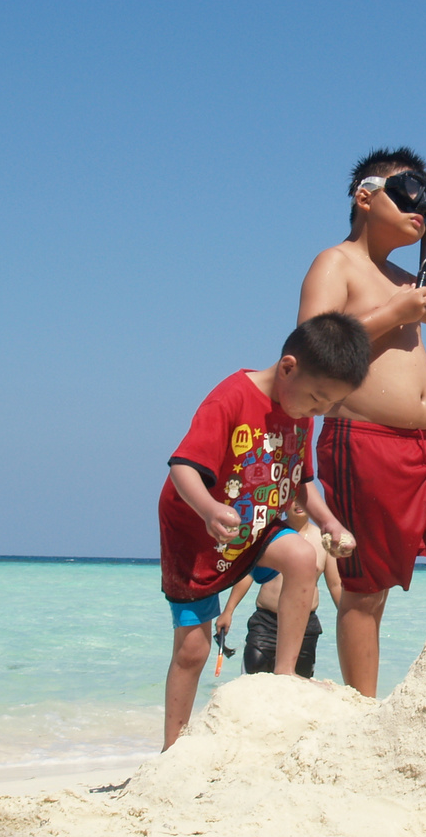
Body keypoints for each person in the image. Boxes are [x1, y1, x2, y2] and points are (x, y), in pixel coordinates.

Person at [297, 147, 426, 697]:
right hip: (361, 442)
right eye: (408, 193)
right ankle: (366, 711)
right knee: (367, 591)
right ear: (365, 197)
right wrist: (394, 313)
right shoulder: (335, 263)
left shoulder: (401, 277)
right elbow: (315, 345)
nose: (422, 207)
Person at [157, 313, 369, 749]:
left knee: (302, 558)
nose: (319, 411)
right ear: (288, 367)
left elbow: (302, 480)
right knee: (193, 650)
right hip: (196, 535)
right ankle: (171, 745)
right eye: (316, 400)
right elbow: (182, 467)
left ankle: (285, 673)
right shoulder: (232, 397)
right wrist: (209, 508)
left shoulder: (300, 409)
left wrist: (329, 521)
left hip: (254, 527)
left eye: (329, 405)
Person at [214, 500, 344, 678]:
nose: (298, 505)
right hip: (265, 622)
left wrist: (346, 619)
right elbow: (248, 574)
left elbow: (335, 585)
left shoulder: (323, 539)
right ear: (285, 503)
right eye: (294, 500)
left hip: (304, 625)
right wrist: (228, 611)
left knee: (297, 687)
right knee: (252, 682)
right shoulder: (270, 534)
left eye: (303, 500)